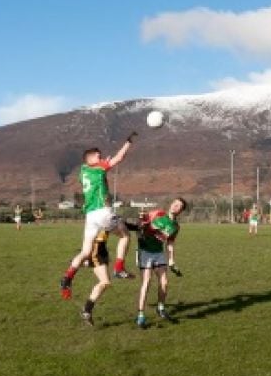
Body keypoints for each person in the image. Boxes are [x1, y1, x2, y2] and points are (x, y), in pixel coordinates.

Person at [59, 132, 137, 300]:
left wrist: (101, 163)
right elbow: (118, 158)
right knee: (125, 235)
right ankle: (119, 268)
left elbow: (95, 170)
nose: (101, 157)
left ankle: (67, 277)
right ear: (90, 158)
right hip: (102, 211)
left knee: (86, 251)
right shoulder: (99, 167)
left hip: (90, 215)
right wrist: (128, 142)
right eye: (98, 155)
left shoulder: (83, 170)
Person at [131, 197, 187, 328]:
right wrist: (142, 220)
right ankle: (140, 315)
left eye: (179, 206)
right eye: (175, 203)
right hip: (145, 251)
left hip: (158, 253)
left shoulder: (176, 227)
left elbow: (170, 244)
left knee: (165, 282)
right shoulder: (158, 214)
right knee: (147, 282)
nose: (175, 206)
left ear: (181, 211)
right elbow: (141, 226)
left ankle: (160, 307)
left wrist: (172, 261)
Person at [79, 229, 112, 327]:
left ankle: (87, 310)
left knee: (105, 283)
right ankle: (87, 310)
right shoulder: (99, 221)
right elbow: (94, 239)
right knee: (105, 282)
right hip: (97, 254)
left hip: (102, 253)